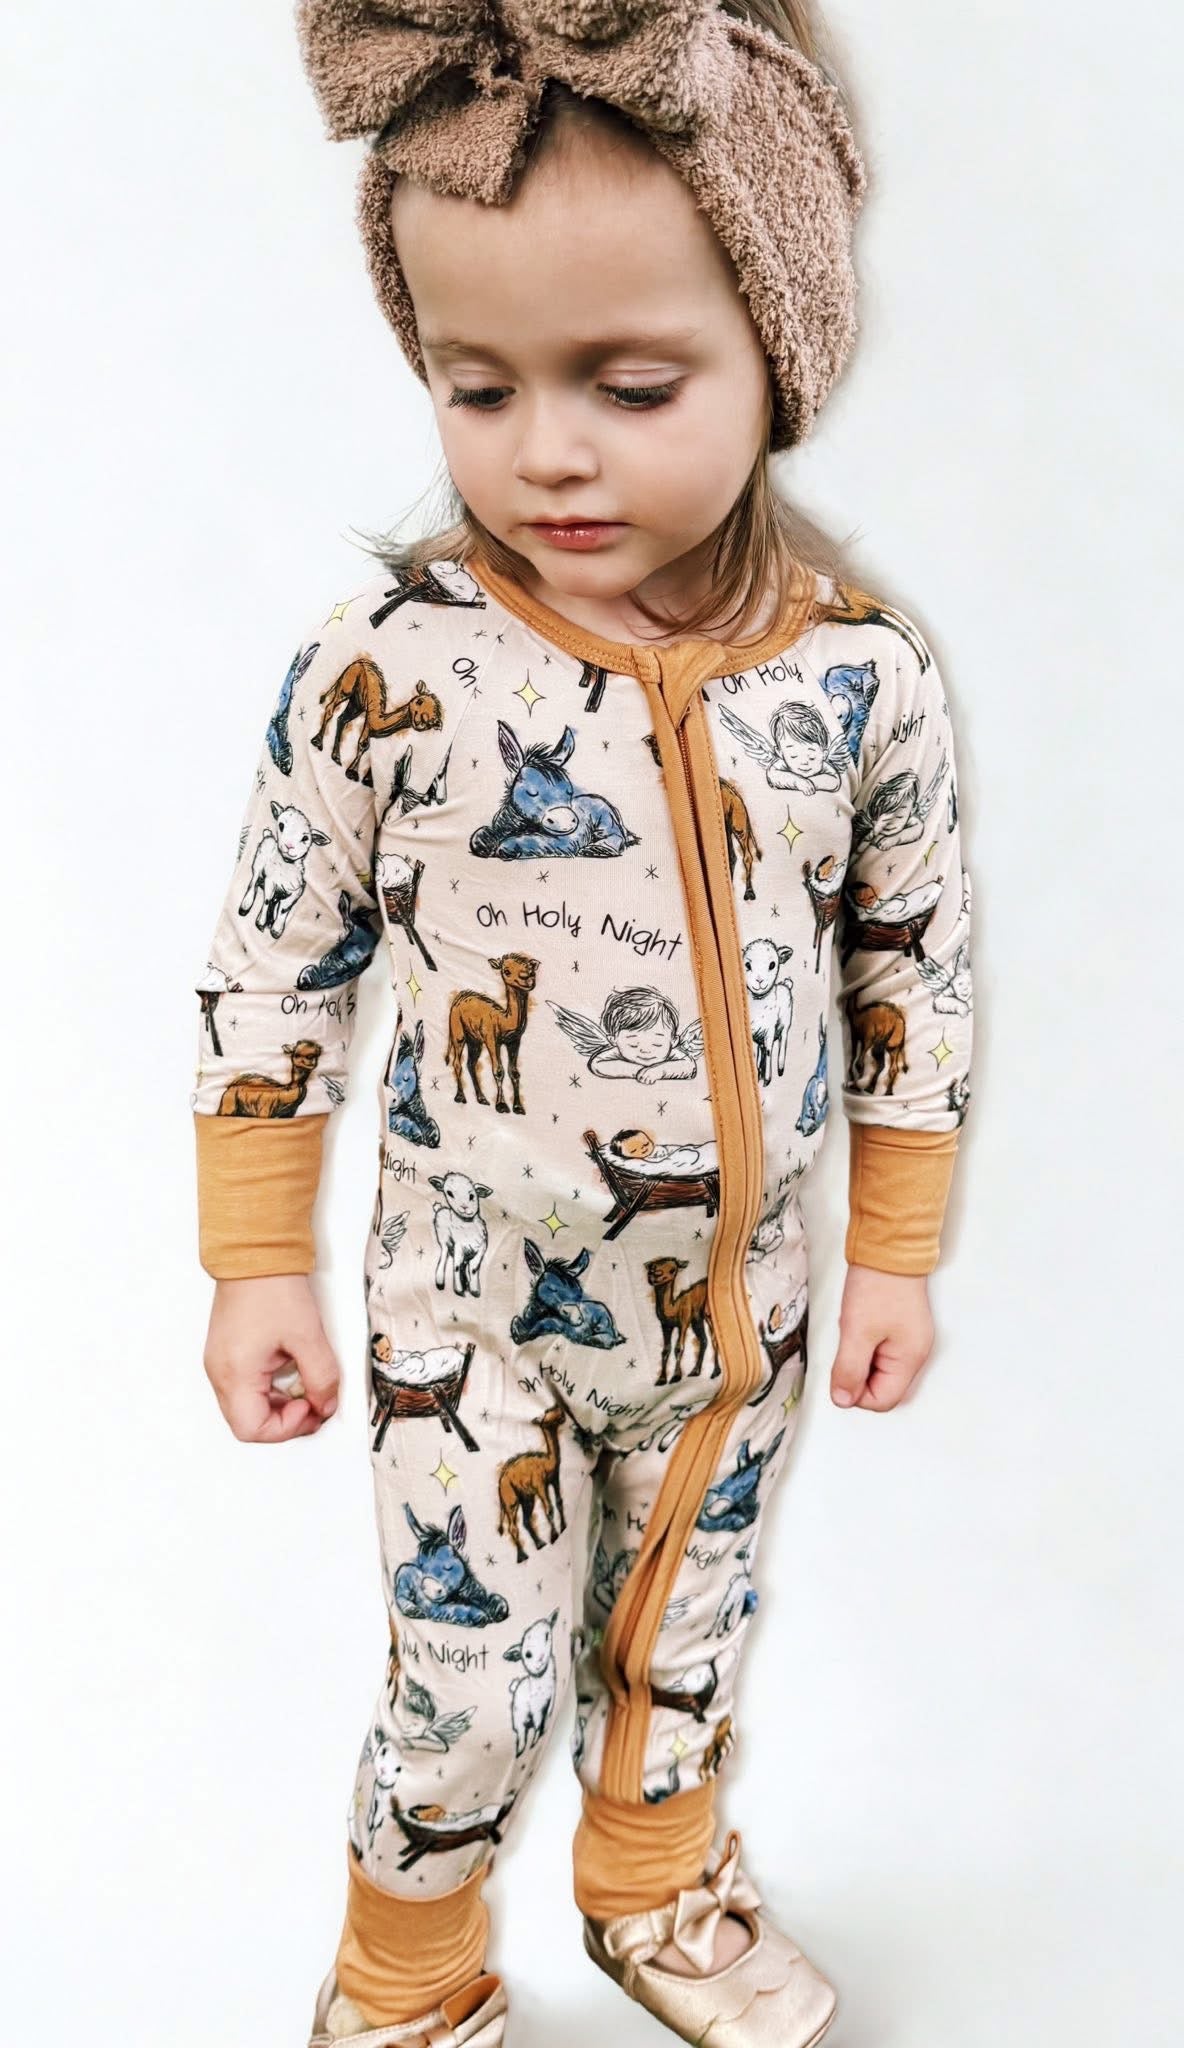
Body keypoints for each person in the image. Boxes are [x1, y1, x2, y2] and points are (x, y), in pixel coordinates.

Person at [192, 5, 974, 2045]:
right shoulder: (388, 672)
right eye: (478, 385)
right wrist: (254, 1256)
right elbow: (275, 966)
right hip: (469, 1306)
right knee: (469, 1675)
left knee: (683, 1631)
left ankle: (655, 1888)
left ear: (780, 352)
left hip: (740, 1311)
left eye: (631, 387)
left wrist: (895, 1246)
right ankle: (408, 1971)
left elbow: (912, 972)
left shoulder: (859, 679)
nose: (547, 449)